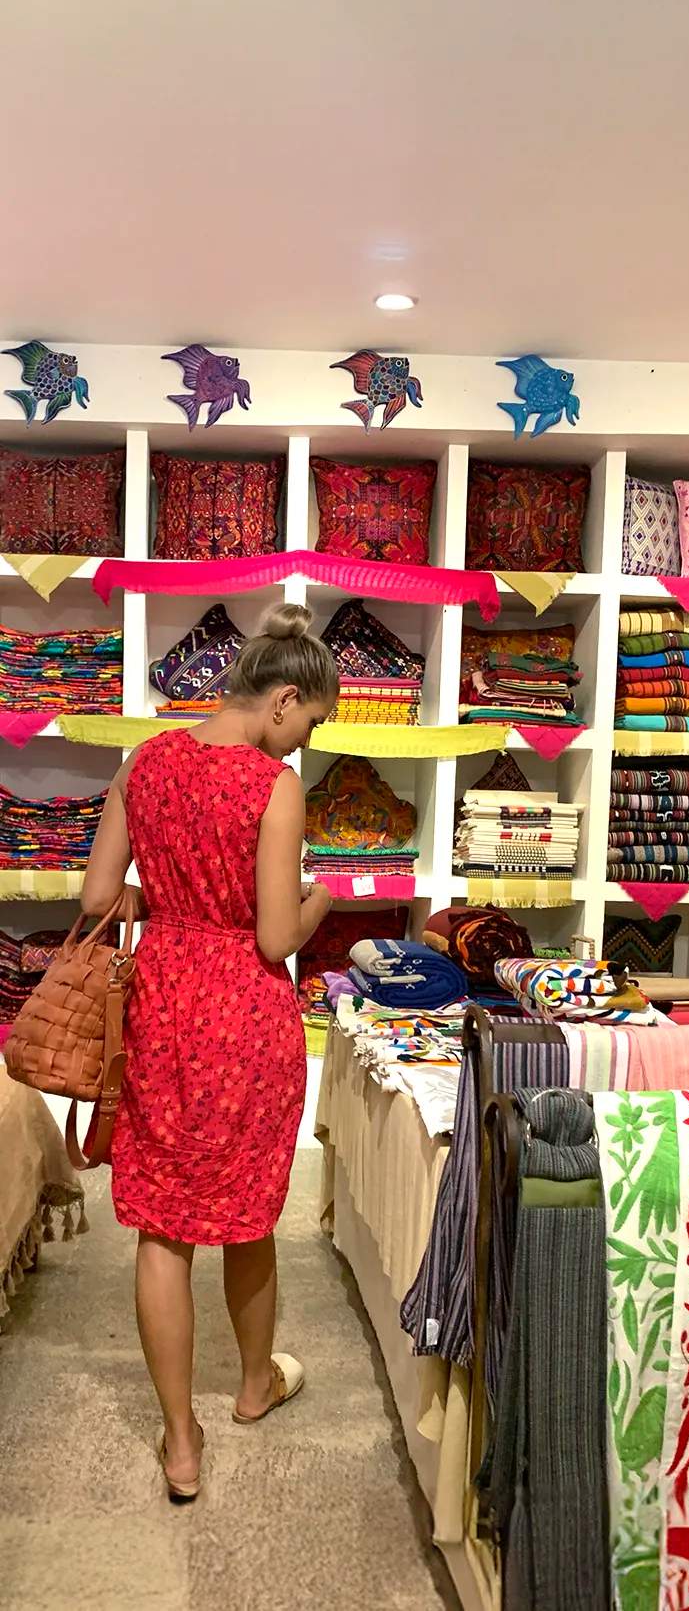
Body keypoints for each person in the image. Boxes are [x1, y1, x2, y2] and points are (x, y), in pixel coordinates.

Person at [80, 603, 338, 1501]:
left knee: (164, 1228)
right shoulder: (274, 787)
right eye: (308, 725)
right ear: (282, 698)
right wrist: (319, 905)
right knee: (247, 1213)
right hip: (244, 1015)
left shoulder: (143, 762)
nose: (303, 745)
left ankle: (179, 1439)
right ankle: (255, 1385)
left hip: (164, 1005)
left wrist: (174, 899)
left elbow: (100, 892)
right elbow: (274, 939)